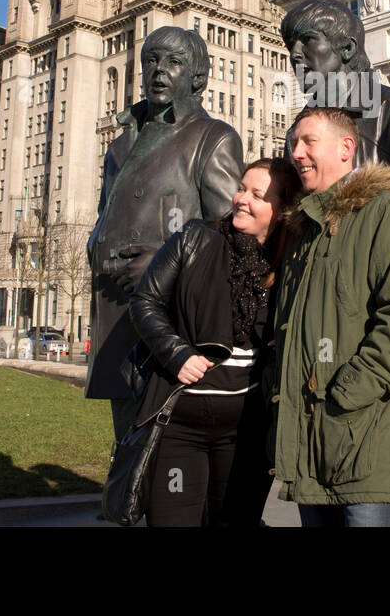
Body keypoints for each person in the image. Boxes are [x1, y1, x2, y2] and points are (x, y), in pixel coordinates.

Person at [269, 106, 390, 527]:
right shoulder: (304, 229)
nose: (297, 153)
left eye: (308, 141)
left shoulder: (388, 211)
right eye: (293, 144)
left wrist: (346, 393)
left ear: (347, 147)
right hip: (313, 444)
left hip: (366, 442)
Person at [86, 26, 243, 445]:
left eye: (174, 63)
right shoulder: (121, 145)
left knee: (167, 443)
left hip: (169, 320)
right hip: (115, 310)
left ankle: (162, 507)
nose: (159, 71)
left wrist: (164, 265)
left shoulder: (213, 138)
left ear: (197, 77)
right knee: (127, 443)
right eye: (152, 60)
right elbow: (107, 211)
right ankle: (128, 504)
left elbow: (231, 233)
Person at [128, 158, 302, 527]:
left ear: (281, 209)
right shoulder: (194, 238)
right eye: (242, 188)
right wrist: (176, 354)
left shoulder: (289, 262)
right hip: (179, 424)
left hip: (246, 430)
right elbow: (145, 301)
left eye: (258, 195)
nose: (242, 199)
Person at [280, 0, 390, 250]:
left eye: (307, 40)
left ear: (347, 49)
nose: (295, 54)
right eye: (290, 45)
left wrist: (378, 272)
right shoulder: (295, 131)